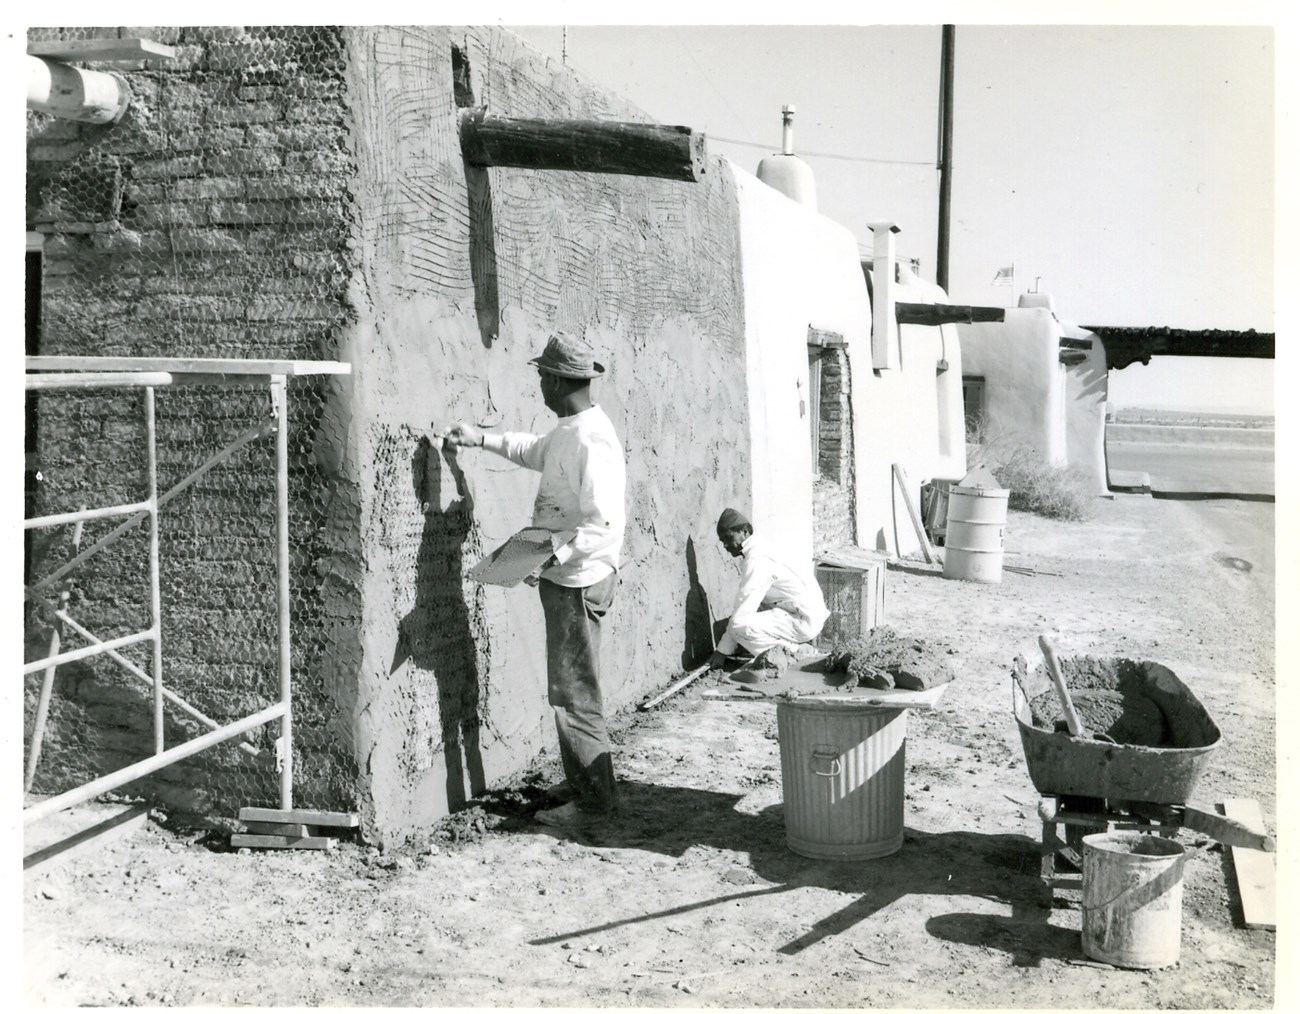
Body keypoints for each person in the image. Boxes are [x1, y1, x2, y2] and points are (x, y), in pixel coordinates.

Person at [441, 333, 626, 828]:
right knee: (570, 689)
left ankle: (592, 808)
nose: (539, 381)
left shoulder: (591, 438)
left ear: (562, 379)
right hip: (568, 572)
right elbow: (536, 450)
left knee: (573, 694)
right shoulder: (571, 428)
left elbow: (602, 524)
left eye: (543, 374)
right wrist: (480, 438)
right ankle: (586, 785)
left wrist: (545, 557)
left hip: (578, 579)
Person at [708, 508, 830, 671]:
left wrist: (721, 651)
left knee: (738, 625)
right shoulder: (762, 546)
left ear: (745, 531)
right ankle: (792, 647)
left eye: (728, 538)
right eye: (722, 540)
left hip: (803, 620)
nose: (725, 545)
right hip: (804, 612)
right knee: (739, 622)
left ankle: (796, 651)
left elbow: (742, 611)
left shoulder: (757, 559)